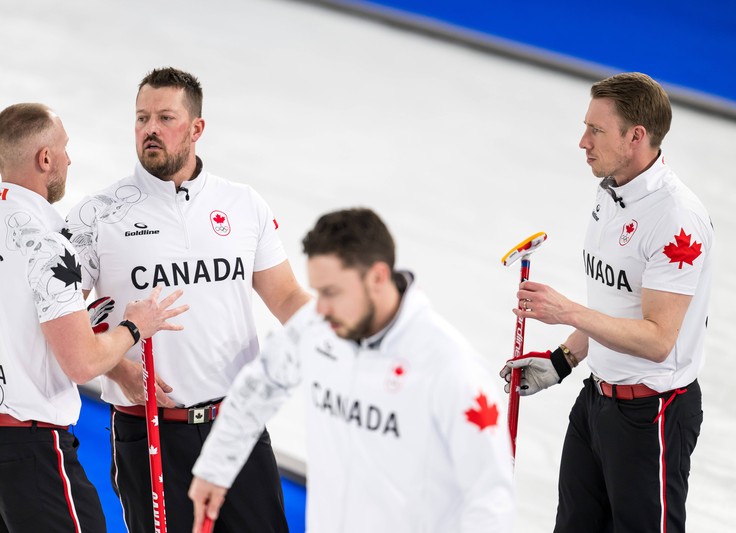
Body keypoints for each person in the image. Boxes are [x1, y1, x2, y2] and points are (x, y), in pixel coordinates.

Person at [64, 67, 310, 533]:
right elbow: (62, 317)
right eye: (141, 119)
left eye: (164, 117)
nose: (150, 129)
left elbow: (287, 297)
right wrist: (117, 366)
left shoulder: (243, 204)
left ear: (196, 128)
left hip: (236, 425)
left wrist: (352, 329)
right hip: (147, 428)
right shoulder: (97, 215)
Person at [0, 103, 188, 533]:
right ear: (45, 158)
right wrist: (134, 327)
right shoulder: (47, 247)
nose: (70, 158)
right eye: (65, 148)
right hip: (31, 452)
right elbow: (81, 363)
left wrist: (101, 356)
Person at [189, 208, 516, 533]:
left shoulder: (450, 367)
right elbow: (260, 385)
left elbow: (489, 498)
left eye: (332, 292)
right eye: (317, 292)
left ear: (377, 276)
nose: (319, 308)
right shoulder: (317, 328)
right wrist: (214, 470)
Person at [500, 72, 714, 532]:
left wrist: (567, 312)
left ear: (635, 137)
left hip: (652, 415)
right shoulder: (611, 194)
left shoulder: (676, 219)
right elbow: (617, 307)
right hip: (597, 403)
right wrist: (563, 359)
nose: (582, 142)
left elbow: (658, 340)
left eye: (596, 130)